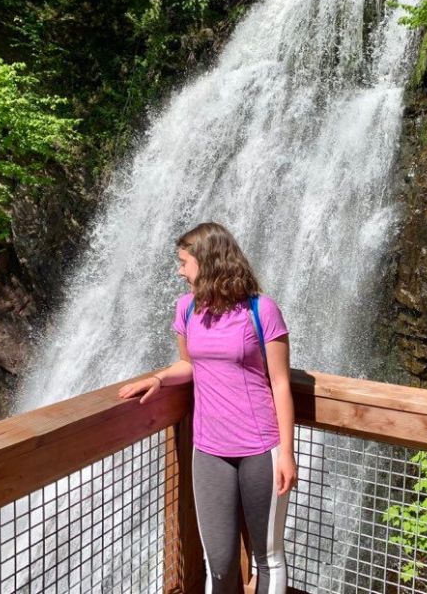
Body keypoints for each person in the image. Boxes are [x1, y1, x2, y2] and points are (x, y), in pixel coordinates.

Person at [118, 222, 297, 593]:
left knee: (267, 557)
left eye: (184, 262)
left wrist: (287, 455)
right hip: (209, 449)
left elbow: (280, 383)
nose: (180, 271)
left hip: (262, 448)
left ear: (208, 260)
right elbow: (189, 364)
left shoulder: (261, 311)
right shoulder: (187, 309)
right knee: (218, 561)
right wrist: (160, 380)